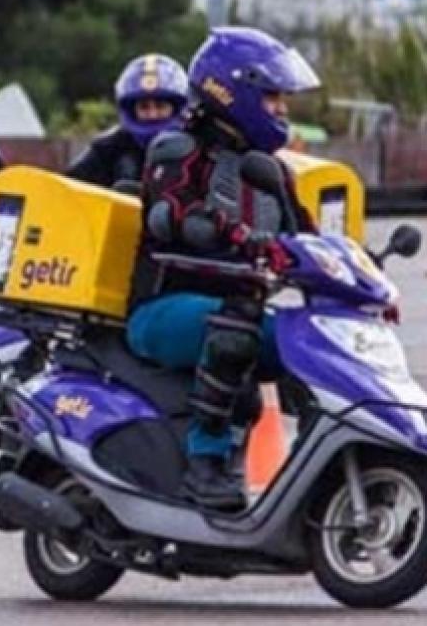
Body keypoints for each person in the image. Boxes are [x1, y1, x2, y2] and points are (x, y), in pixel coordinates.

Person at [125, 28, 320, 510]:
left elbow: (309, 239)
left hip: (238, 308)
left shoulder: (272, 170)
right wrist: (235, 234)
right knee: (235, 329)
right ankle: (205, 463)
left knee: (315, 342)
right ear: (233, 91)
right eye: (272, 97)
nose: (281, 109)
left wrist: (359, 269)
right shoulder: (178, 150)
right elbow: (170, 214)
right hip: (160, 308)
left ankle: (320, 464)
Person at [65, 54, 188, 188]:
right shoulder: (108, 149)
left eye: (160, 106)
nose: (152, 114)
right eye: (144, 107)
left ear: (177, 108)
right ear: (131, 110)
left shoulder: (196, 146)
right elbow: (68, 189)